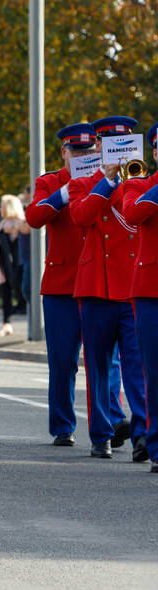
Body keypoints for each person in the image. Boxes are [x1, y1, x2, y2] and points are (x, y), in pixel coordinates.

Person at [67, 117, 146, 460]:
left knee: (137, 365)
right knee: (98, 366)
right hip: (97, 284)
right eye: (108, 145)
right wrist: (107, 179)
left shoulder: (140, 180)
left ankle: (143, 434)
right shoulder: (84, 181)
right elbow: (81, 217)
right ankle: (102, 432)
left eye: (122, 144)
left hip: (131, 284)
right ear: (99, 147)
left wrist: (129, 179)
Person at [25, 123, 95, 446]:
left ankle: (105, 428)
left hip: (98, 281)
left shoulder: (104, 179)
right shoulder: (49, 182)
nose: (83, 157)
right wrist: (64, 194)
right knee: (63, 360)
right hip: (61, 284)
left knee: (102, 360)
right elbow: (34, 216)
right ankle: (63, 425)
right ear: (63, 153)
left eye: (89, 152)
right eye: (77, 151)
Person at [120, 121, 158, 472]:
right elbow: (133, 213)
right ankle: (156, 445)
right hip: (150, 290)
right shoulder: (139, 184)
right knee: (154, 371)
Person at [0, 194, 29, 336]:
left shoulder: (20, 222)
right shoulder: (2, 223)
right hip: (3, 263)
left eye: (2, 206)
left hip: (16, 263)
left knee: (21, 291)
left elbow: (16, 242)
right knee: (6, 293)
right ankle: (6, 323)